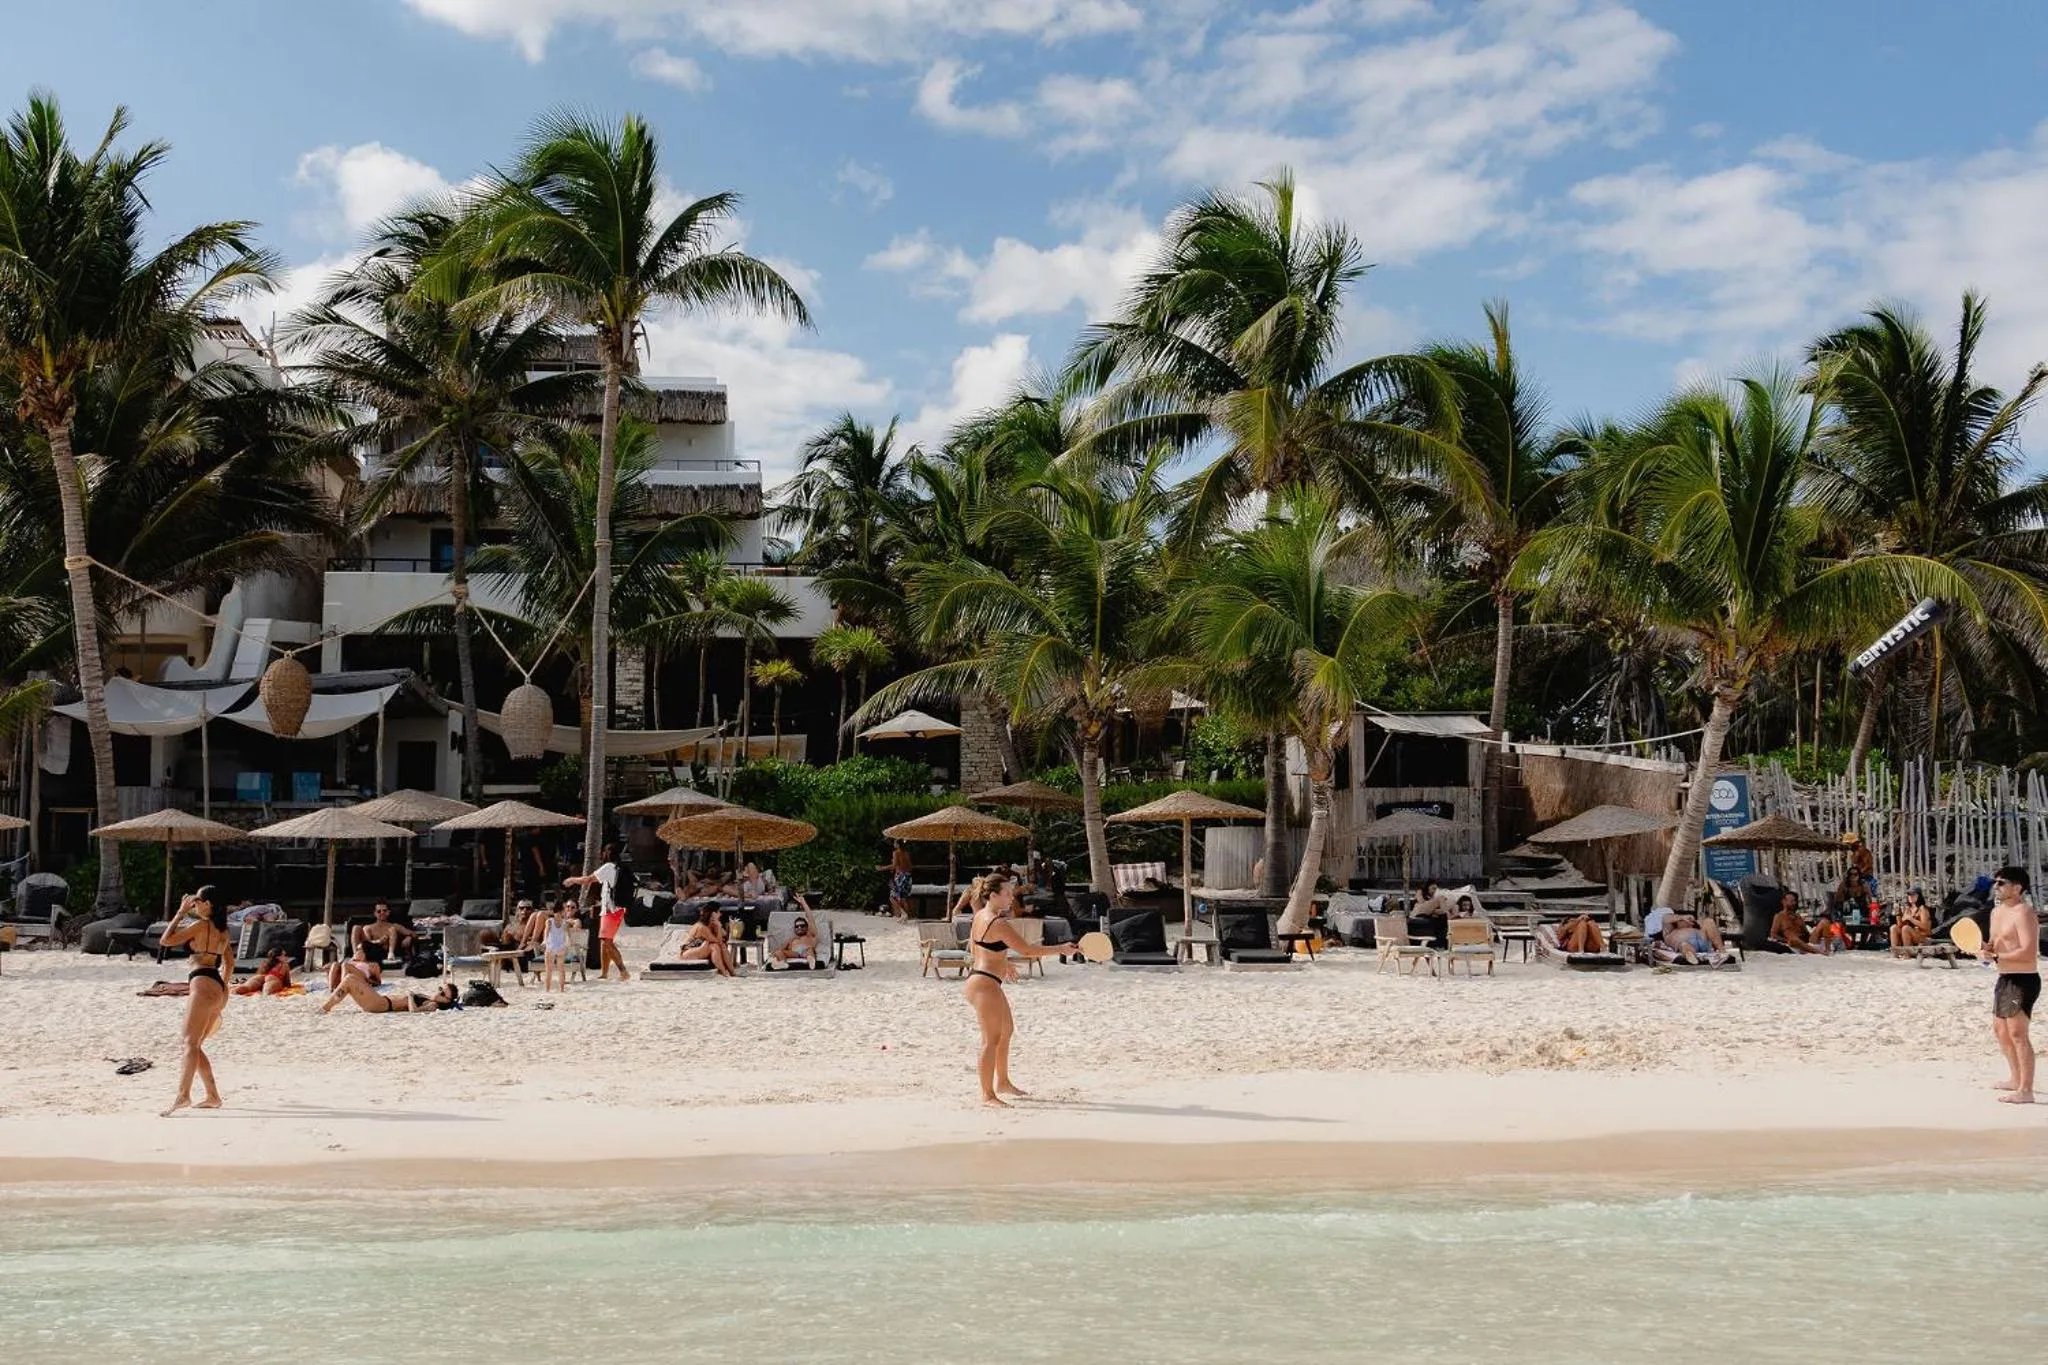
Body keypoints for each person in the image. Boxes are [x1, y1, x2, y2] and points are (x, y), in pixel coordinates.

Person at [961, 873, 1074, 1107]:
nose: (1012, 897)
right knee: (990, 1040)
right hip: (984, 983)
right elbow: (1028, 950)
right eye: (1007, 893)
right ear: (993, 896)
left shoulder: (981, 915)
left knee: (1006, 1032)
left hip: (983, 980)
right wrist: (1061, 948)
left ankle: (1002, 1082)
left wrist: (1004, 962)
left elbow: (977, 945)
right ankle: (987, 1095)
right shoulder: (998, 922)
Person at [158, 886, 231, 1116]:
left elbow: (166, 940)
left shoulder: (200, 925)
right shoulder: (224, 930)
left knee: (189, 1042)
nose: (195, 904)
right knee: (195, 1044)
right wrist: (226, 988)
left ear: (209, 904)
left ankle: (183, 1095)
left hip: (201, 983)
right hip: (218, 986)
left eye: (198, 901)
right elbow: (229, 963)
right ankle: (213, 1096)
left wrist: (180, 912)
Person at [1983, 866, 2040, 1104]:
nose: (1996, 886)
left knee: (2018, 1033)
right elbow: (1995, 944)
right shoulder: (1996, 913)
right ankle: (2015, 1079)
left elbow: (2028, 951)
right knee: (2001, 1031)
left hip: (2023, 978)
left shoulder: (2024, 913)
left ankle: (2026, 1090)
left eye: (2001, 882)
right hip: (2004, 977)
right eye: (1995, 882)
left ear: (2017, 888)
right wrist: (1986, 950)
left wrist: (1998, 957)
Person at [323, 975, 459, 1014]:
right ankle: (327, 1006)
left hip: (382, 1004)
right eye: (440, 988)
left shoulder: (433, 1004)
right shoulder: (429, 998)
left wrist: (411, 996)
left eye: (442, 993)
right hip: (381, 1000)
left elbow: (414, 1011)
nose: (438, 991)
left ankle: (326, 1007)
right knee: (350, 979)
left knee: (350, 979)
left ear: (446, 1001)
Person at [677, 905, 737, 976]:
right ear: (712, 914)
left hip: (700, 949)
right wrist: (718, 926)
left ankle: (731, 972)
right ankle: (724, 971)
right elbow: (719, 942)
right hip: (687, 952)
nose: (720, 914)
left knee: (720, 946)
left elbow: (725, 937)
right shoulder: (702, 927)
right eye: (718, 912)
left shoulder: (712, 924)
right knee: (714, 947)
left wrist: (723, 927)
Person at [1891, 888, 1934, 955]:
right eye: (1909, 895)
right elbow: (1900, 926)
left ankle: (1907, 954)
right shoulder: (1908, 909)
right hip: (1910, 935)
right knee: (1894, 927)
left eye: (1913, 895)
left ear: (1919, 896)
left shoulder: (1922, 909)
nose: (1910, 897)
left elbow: (1925, 927)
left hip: (1922, 937)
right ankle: (1895, 953)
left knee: (1906, 928)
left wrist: (1911, 919)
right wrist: (1898, 914)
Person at [1409, 881, 1451, 949]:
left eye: (1436, 889)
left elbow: (1437, 911)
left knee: (1443, 915)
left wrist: (1434, 909)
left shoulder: (1434, 898)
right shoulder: (1420, 892)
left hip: (1427, 915)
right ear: (1427, 887)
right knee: (1441, 898)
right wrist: (1434, 903)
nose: (1434, 891)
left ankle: (1443, 941)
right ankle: (1450, 921)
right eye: (1433, 888)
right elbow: (1421, 902)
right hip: (1418, 912)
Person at [885, 842, 915, 921]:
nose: (893, 844)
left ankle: (903, 913)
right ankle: (906, 916)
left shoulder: (896, 853)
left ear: (897, 844)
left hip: (900, 876)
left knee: (893, 897)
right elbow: (910, 866)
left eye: (894, 842)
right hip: (908, 876)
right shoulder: (906, 853)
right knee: (904, 897)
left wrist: (882, 868)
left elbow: (894, 865)